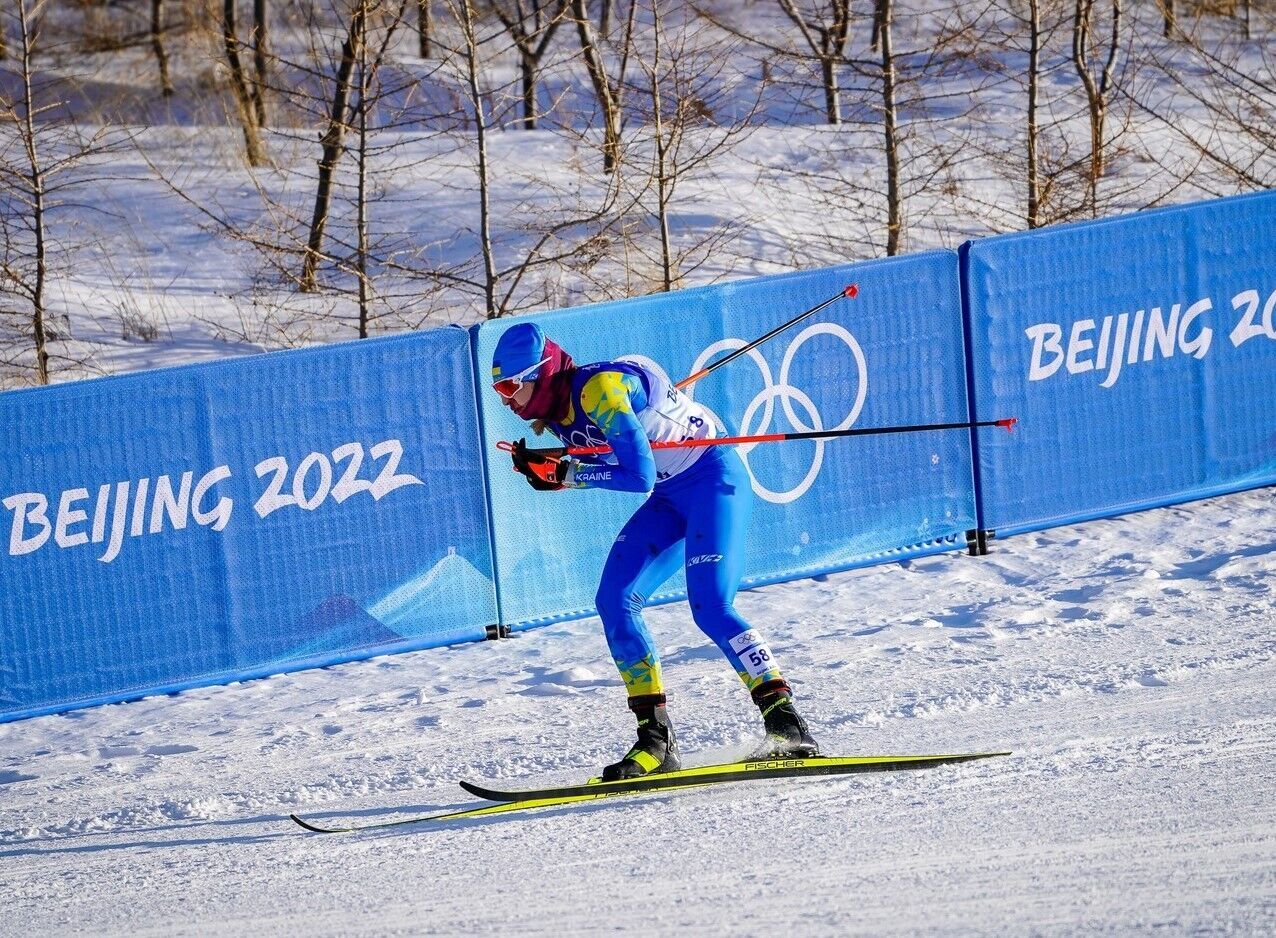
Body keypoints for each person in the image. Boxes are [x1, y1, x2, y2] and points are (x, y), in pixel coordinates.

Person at [491, 322, 819, 780]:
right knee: (614, 602)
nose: (505, 399)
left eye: (510, 386)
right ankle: (655, 740)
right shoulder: (560, 414)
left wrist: (566, 474)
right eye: (498, 389)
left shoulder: (599, 391)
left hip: (712, 481)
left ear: (540, 375)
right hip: (668, 498)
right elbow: (609, 465)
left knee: (710, 607)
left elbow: (638, 475)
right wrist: (552, 471)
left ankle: (787, 723)